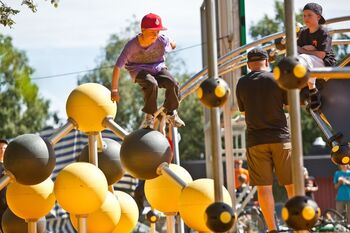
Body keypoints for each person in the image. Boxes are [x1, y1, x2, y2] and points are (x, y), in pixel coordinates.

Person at [236, 47, 294, 233]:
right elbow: (287, 103)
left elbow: (243, 112)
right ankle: (299, 226)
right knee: (291, 184)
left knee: (264, 188)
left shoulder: (241, 83)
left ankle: (272, 228)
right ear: (267, 62)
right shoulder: (277, 78)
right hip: (280, 137)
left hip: (256, 140)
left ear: (248, 65)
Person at [111, 13, 185, 129]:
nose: (155, 35)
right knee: (151, 83)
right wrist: (114, 90)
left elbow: (171, 44)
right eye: (152, 32)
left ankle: (170, 112)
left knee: (172, 83)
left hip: (158, 68)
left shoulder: (161, 40)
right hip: (138, 70)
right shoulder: (131, 46)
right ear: (143, 30)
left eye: (157, 32)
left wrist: (173, 44)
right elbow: (117, 67)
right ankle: (149, 116)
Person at [297, 2, 336, 111]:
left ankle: (311, 88)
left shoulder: (323, 33)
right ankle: (309, 89)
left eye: (309, 15)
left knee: (304, 59)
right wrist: (306, 50)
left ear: (318, 17)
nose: (306, 18)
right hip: (310, 62)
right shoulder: (303, 33)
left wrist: (303, 51)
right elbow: (295, 49)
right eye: (304, 15)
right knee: (294, 57)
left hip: (325, 63)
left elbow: (321, 55)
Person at [0, 139, 8, 233]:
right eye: (0, 148)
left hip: (10, 204)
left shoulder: (10, 165)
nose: (2, 150)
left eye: (4, 148)